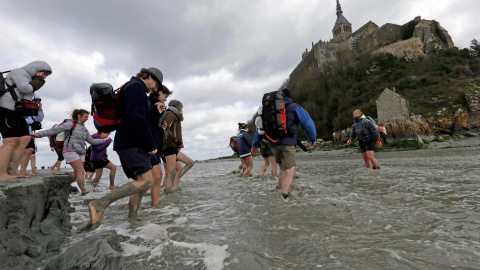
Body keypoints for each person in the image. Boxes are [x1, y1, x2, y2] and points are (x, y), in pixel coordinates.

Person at [88, 67, 163, 225]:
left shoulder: (130, 86)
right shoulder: (136, 87)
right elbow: (137, 119)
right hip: (131, 142)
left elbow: (134, 113)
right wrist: (150, 144)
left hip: (129, 141)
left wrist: (153, 110)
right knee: (147, 181)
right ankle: (99, 204)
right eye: (156, 85)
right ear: (149, 77)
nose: (155, 89)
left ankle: (133, 220)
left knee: (142, 182)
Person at [252, 88, 316, 200]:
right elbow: (308, 124)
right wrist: (312, 138)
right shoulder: (294, 107)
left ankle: (280, 192)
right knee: (290, 172)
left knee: (282, 169)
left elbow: (260, 128)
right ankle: (283, 198)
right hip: (288, 143)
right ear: (289, 97)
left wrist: (255, 145)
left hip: (273, 144)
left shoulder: (269, 110)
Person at [33, 109, 106, 195]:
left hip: (81, 152)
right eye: (85, 117)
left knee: (76, 174)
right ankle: (84, 192)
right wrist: (38, 134)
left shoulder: (84, 128)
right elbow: (54, 130)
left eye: (87, 117)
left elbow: (91, 141)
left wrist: (103, 141)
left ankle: (64, 186)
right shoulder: (71, 124)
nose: (87, 119)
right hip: (69, 150)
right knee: (81, 170)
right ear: (79, 115)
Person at [0, 61, 52, 179]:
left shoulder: (30, 78)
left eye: (45, 76)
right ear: (38, 69)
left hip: (17, 112)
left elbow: (27, 97)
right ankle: (1, 173)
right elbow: (25, 88)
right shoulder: (19, 72)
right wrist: (38, 80)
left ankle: (12, 171)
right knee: (10, 140)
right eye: (44, 74)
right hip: (6, 108)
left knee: (25, 138)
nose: (44, 77)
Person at [163, 100, 194, 194]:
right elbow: (164, 128)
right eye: (181, 108)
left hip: (172, 146)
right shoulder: (171, 115)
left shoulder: (174, 115)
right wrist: (176, 140)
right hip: (169, 146)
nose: (182, 110)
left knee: (190, 162)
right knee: (170, 174)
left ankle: (174, 183)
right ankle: (167, 194)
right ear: (178, 108)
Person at [148, 84, 170, 206]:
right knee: (148, 180)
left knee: (156, 178)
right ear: (159, 93)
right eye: (165, 96)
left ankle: (155, 208)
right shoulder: (151, 103)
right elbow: (147, 122)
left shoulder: (156, 105)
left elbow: (154, 123)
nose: (166, 99)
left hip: (154, 144)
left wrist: (162, 126)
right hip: (150, 145)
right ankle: (129, 208)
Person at [20, 93, 44, 175]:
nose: (36, 104)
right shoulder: (23, 107)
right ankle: (17, 170)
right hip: (22, 132)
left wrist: (40, 110)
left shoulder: (34, 111)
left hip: (30, 133)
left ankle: (32, 170)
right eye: (35, 101)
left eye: (38, 102)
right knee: (20, 152)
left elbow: (39, 119)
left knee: (32, 154)